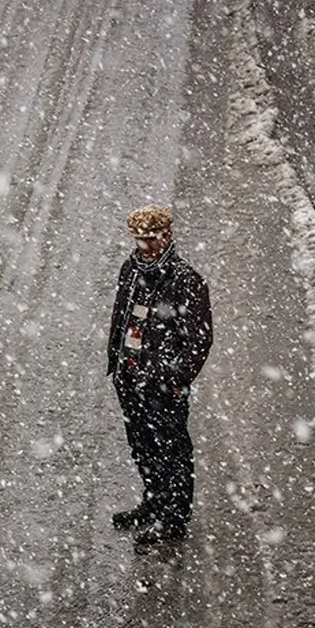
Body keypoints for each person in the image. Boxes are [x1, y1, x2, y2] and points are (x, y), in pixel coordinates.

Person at [106, 204, 213, 545]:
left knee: (172, 452)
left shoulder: (187, 281)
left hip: (162, 386)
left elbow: (199, 340)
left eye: (150, 240)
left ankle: (174, 519)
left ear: (167, 236)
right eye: (138, 240)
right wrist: (120, 365)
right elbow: (123, 318)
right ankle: (153, 504)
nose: (143, 247)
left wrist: (173, 378)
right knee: (142, 446)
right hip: (130, 378)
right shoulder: (131, 270)